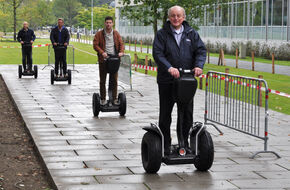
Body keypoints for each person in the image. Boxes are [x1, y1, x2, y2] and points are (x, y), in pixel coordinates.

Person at [153, 5, 206, 155]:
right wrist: (169, 68)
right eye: (173, 16)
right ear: (169, 17)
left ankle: (184, 143)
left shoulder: (191, 34)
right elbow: (158, 54)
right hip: (167, 81)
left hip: (186, 81)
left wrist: (198, 65)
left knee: (186, 113)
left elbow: (201, 50)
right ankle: (165, 145)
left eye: (179, 16)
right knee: (165, 114)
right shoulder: (162, 34)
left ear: (183, 17)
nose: (176, 18)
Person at [93, 16, 125, 105]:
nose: (108, 24)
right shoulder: (99, 34)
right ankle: (103, 99)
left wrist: (121, 52)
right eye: (107, 22)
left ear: (112, 23)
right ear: (104, 23)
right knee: (103, 80)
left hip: (114, 59)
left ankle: (114, 98)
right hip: (104, 60)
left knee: (114, 80)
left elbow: (121, 44)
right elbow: (95, 45)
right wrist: (102, 52)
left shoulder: (116, 34)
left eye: (110, 23)